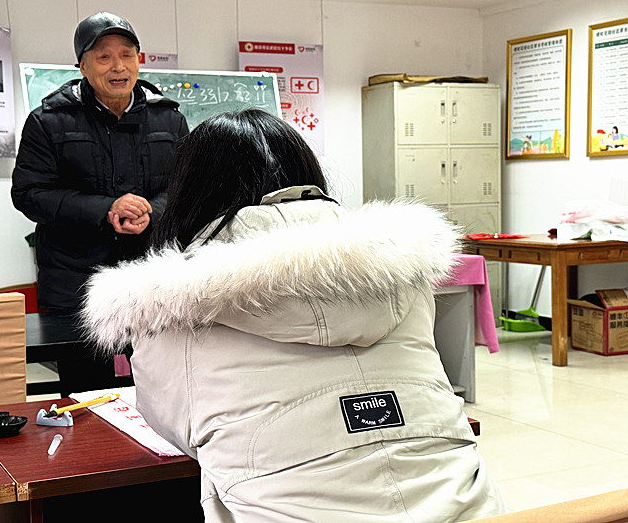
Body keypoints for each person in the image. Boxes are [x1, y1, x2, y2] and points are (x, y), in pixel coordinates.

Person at [81, 109, 505, 522]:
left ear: (190, 190)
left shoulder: (170, 302)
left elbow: (177, 428)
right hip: (468, 507)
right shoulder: (400, 270)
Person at [11, 11, 189, 313]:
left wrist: (152, 212)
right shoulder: (49, 121)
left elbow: (186, 187)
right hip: (74, 282)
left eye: (126, 55)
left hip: (150, 276)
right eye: (104, 57)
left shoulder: (169, 119)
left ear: (138, 59)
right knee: (83, 361)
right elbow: (29, 194)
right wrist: (106, 209)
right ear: (83, 65)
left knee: (151, 361)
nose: (118, 67)